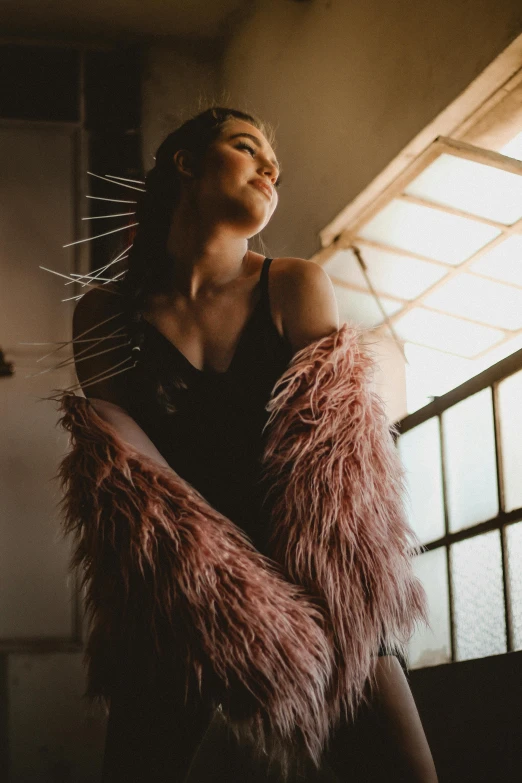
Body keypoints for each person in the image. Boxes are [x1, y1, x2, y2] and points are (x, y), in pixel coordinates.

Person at [67, 106, 438, 781]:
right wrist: (228, 588)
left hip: (316, 581)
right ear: (187, 163)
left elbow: (339, 468)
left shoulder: (293, 284)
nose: (270, 170)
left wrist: (316, 602)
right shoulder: (104, 316)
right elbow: (132, 475)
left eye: (277, 166)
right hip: (186, 586)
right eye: (247, 148)